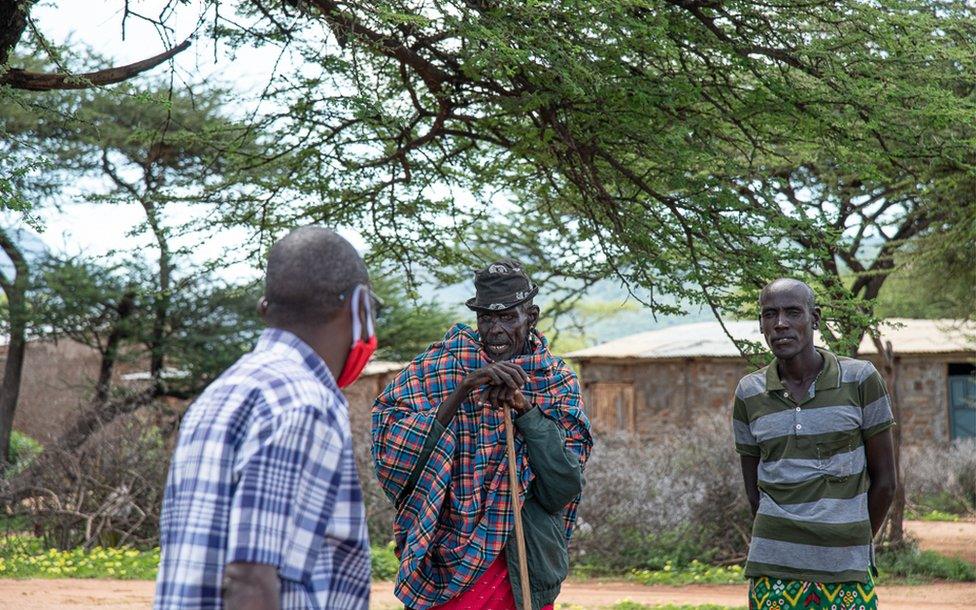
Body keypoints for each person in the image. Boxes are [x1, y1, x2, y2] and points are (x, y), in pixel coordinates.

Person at [154, 226, 376, 610]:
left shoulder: (224, 391)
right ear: (358, 307)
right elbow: (249, 580)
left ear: (264, 309)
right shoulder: (305, 404)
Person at [371, 259, 592, 610]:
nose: (495, 330)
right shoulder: (442, 366)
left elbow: (562, 488)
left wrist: (526, 412)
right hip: (446, 558)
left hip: (523, 562)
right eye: (486, 317)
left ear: (530, 317)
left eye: (508, 317)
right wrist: (463, 390)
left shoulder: (556, 382)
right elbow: (394, 455)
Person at [733, 278, 897, 610]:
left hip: (844, 570)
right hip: (773, 567)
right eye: (770, 314)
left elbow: (886, 483)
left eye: (793, 312)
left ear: (815, 318)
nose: (780, 324)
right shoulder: (749, 393)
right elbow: (754, 493)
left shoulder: (861, 380)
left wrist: (851, 538)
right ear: (761, 324)